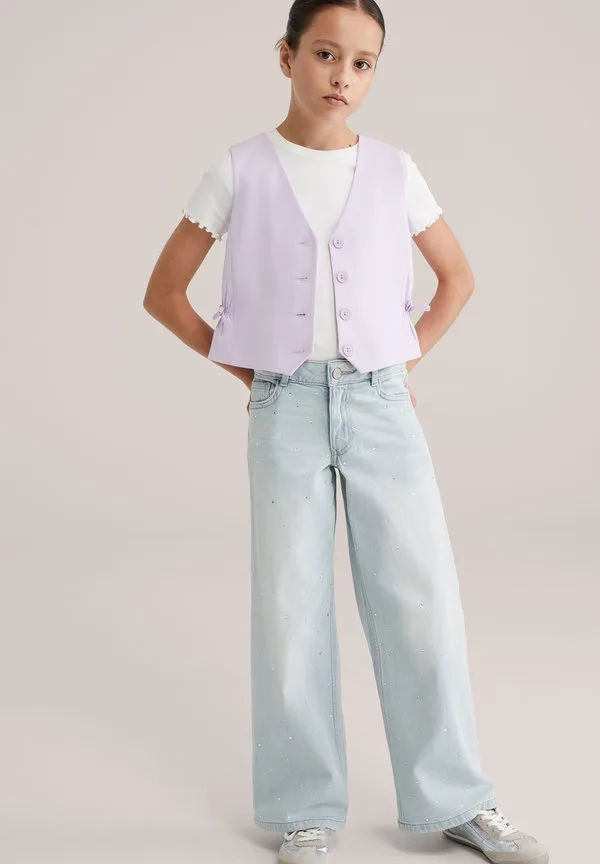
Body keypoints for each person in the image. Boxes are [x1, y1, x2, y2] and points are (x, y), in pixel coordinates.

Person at [143, 2, 549, 862]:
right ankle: (304, 809)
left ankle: (457, 799)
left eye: (363, 63)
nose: (343, 77)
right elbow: (164, 294)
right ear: (286, 55)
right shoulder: (239, 168)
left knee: (421, 601)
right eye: (326, 55)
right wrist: (253, 374)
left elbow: (457, 278)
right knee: (291, 609)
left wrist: (399, 362)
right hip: (284, 410)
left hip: (381, 407)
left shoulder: (396, 170)